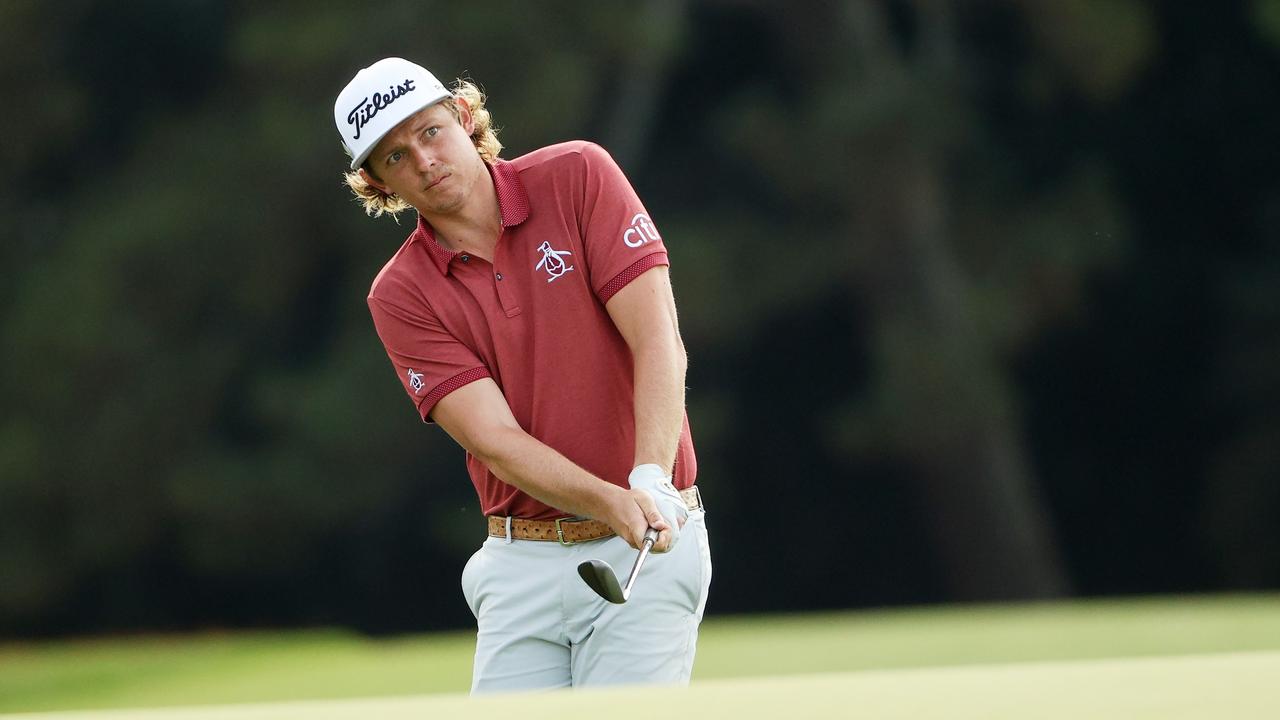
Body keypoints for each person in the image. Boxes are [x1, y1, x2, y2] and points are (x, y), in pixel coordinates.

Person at [332, 57, 711, 693]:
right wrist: (611, 499)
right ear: (377, 182)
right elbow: (495, 441)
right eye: (395, 157)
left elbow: (657, 342)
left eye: (429, 132)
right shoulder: (400, 293)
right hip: (519, 563)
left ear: (462, 116)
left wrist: (649, 477)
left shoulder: (577, 175)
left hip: (646, 546)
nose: (424, 162)